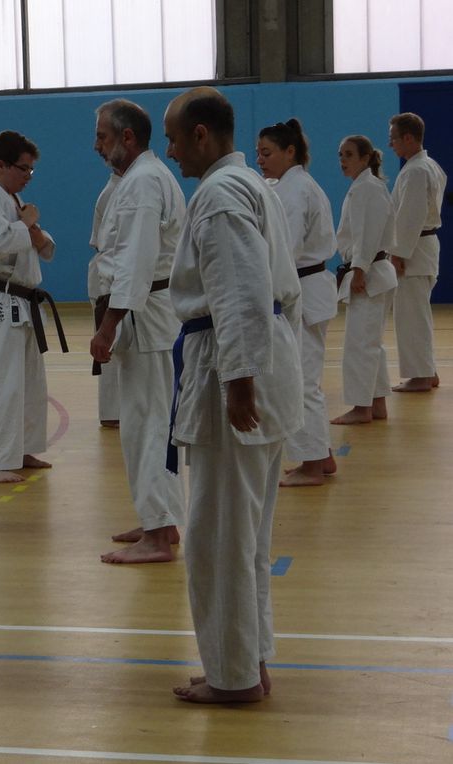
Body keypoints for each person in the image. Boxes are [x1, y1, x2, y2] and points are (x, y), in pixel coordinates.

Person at [163, 87, 302, 703]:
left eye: (172, 138)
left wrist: (239, 381)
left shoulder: (219, 195)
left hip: (233, 371)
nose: (169, 152)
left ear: (200, 134)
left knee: (218, 537)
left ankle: (234, 676)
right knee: (245, 534)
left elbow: (241, 292)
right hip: (260, 361)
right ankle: (248, 660)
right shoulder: (252, 185)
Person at [88, 99, 186, 564]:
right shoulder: (134, 181)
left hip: (148, 315)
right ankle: (158, 520)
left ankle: (160, 533)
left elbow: (136, 262)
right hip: (145, 315)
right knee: (143, 424)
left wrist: (108, 326)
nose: (96, 145)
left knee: (151, 425)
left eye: (103, 136)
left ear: (128, 138)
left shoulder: (145, 183)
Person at [0, 130, 64, 483]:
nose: (27, 176)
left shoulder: (14, 200)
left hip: (22, 303)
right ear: (1, 165)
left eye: (31, 170)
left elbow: (46, 246)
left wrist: (31, 227)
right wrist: (26, 225)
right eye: (23, 168)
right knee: (1, 384)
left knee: (28, 383)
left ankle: (19, 450)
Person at [256, 120, 339, 486]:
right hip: (309, 286)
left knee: (303, 382)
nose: (261, 159)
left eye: (267, 153)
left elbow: (282, 252)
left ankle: (312, 464)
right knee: (307, 379)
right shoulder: (292, 185)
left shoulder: (294, 191)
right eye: (259, 152)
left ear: (290, 152)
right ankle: (320, 455)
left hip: (301, 288)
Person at [330, 136, 398, 426]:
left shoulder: (368, 188)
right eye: (340, 154)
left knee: (359, 345)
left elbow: (367, 234)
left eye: (349, 154)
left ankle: (361, 407)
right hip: (375, 272)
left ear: (366, 157)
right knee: (371, 343)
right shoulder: (365, 187)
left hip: (369, 274)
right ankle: (377, 402)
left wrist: (359, 269)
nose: (343, 160)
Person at [387, 113, 446, 393]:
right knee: (416, 315)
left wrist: (397, 253)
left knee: (411, 317)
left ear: (408, 138)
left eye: (394, 139)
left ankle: (422, 376)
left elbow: (410, 216)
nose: (391, 145)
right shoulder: (429, 166)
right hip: (423, 247)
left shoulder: (415, 170)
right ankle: (427, 371)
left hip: (414, 250)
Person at [88, 160, 122, 429]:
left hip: (115, 275)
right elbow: (103, 243)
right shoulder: (113, 193)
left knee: (118, 347)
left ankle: (116, 411)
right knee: (110, 346)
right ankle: (112, 413)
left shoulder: (129, 187)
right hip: (108, 278)